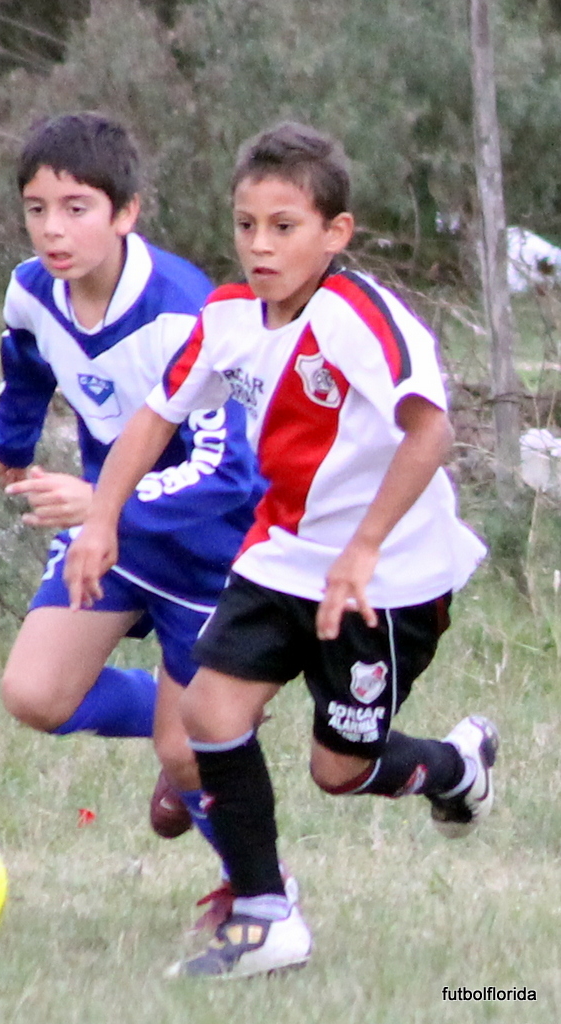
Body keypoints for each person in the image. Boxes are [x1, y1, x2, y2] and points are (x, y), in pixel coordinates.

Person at [65, 121, 497, 979]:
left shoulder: (360, 318)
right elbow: (156, 415)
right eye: (245, 225)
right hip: (282, 553)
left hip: (388, 580)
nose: (259, 245)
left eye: (283, 226)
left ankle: (451, 768)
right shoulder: (226, 317)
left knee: (339, 770)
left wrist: (362, 551)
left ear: (334, 234)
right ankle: (267, 915)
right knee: (208, 714)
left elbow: (430, 431)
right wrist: (100, 519)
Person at [0, 112, 265, 887]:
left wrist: (102, 504)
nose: (53, 229)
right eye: (37, 209)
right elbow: (27, 365)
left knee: (186, 756)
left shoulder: (187, 315)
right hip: (109, 534)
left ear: (125, 213)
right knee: (34, 694)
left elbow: (229, 475)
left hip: (210, 549)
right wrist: (8, 448)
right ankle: (188, 715)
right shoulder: (31, 290)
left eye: (76, 208)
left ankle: (258, 893)